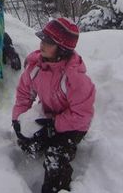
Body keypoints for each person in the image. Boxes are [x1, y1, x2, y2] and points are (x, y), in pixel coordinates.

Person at [11, 17, 95, 193]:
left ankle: (58, 188)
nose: (42, 44)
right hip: (48, 117)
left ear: (62, 49)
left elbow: (83, 117)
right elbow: (24, 96)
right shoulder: (36, 67)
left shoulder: (75, 78)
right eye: (43, 39)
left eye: (49, 42)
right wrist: (17, 121)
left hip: (73, 125)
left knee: (55, 155)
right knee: (28, 140)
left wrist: (55, 124)